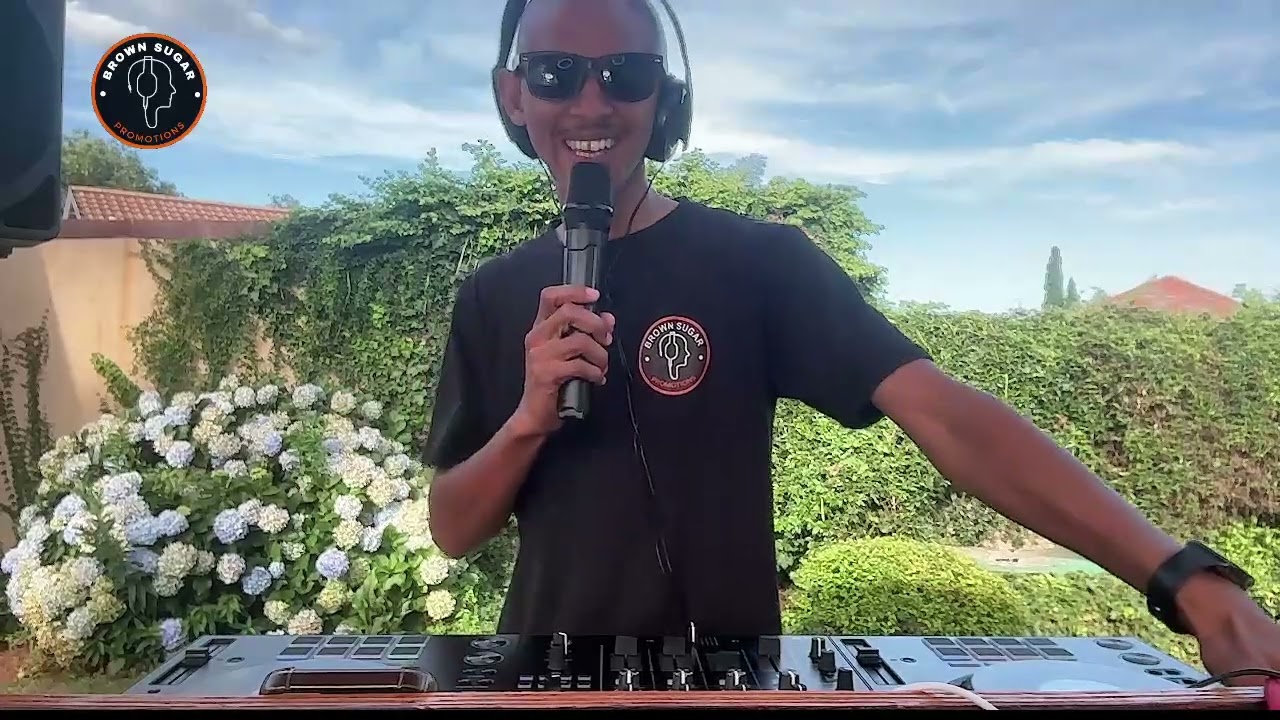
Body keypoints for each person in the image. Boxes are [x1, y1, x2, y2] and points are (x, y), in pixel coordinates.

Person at [424, 0, 1279, 685]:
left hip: (729, 683)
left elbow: (946, 415)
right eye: (556, 72)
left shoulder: (758, 263)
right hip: (539, 678)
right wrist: (529, 420)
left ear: (666, 100)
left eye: (627, 74)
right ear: (514, 95)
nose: (591, 103)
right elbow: (454, 527)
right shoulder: (493, 293)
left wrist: (1184, 579)